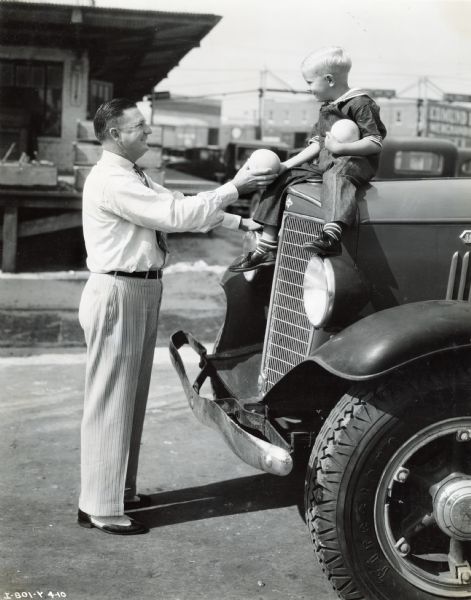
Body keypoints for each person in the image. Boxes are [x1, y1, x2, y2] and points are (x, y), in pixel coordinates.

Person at [77, 98, 275, 535]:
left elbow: (181, 201)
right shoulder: (112, 179)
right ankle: (99, 506)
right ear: (114, 135)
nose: (148, 133)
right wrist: (237, 183)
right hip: (119, 289)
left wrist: (240, 224)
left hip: (139, 288)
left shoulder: (132, 174)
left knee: (130, 395)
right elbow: (174, 215)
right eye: (139, 127)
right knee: (112, 397)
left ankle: (116, 491)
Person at [229, 46, 387, 272]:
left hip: (354, 164)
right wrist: (285, 165)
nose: (308, 89)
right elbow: (317, 144)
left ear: (329, 79)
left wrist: (341, 148)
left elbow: (374, 142)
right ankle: (267, 246)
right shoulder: (326, 108)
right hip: (326, 163)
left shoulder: (360, 103)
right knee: (284, 177)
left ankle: (332, 234)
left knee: (337, 172)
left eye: (310, 83)